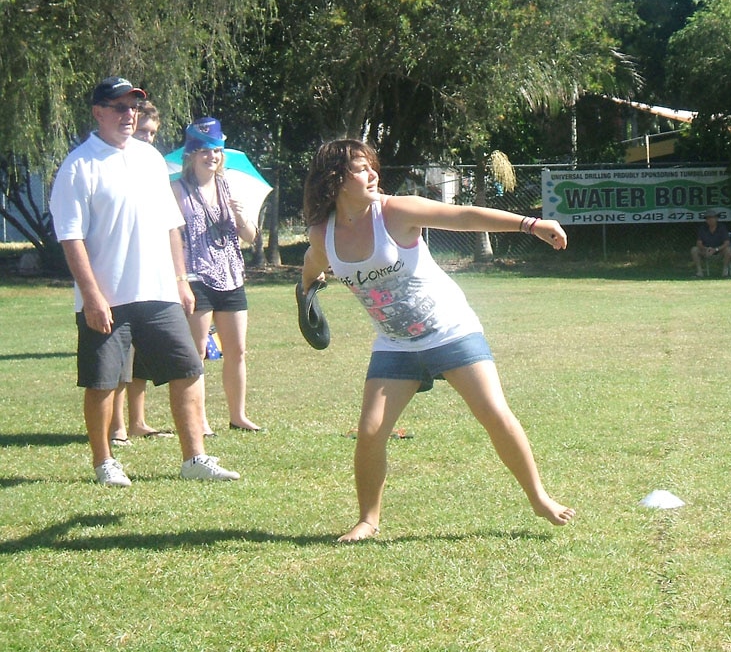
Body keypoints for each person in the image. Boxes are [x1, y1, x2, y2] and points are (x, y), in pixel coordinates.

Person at [300, 139, 576, 542]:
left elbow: (462, 215)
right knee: (371, 432)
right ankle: (368, 520)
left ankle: (539, 498)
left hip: (450, 329)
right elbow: (311, 267)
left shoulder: (395, 211)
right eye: (361, 169)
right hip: (395, 344)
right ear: (336, 179)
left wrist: (529, 224)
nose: (373, 174)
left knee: (495, 414)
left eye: (372, 166)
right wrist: (305, 294)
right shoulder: (324, 235)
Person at [49, 76, 240, 485]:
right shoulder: (79, 165)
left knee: (187, 368)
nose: (128, 115)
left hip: (158, 292)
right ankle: (105, 463)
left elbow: (172, 224)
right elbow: (71, 237)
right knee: (103, 381)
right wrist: (92, 295)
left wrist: (180, 280)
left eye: (133, 107)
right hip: (108, 298)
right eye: (119, 107)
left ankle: (194, 459)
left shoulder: (150, 158)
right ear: (98, 112)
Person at [172, 117, 261, 433]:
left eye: (217, 150)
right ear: (192, 154)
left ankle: (238, 415)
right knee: (196, 353)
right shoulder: (177, 190)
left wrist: (240, 214)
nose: (212, 157)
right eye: (205, 151)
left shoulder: (230, 187)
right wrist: (180, 279)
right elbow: (170, 237)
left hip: (232, 275)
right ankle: (200, 419)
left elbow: (251, 236)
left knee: (236, 350)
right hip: (196, 277)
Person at [109, 99, 174, 444]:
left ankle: (138, 421)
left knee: (141, 361)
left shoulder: (152, 163)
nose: (147, 137)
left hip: (152, 275)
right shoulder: (115, 162)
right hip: (119, 280)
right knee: (120, 359)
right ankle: (116, 425)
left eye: (152, 132)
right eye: (144, 130)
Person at [691, 210, 731, 277]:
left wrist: (716, 249)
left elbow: (727, 243)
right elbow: (699, 243)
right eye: (708, 218)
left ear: (716, 218)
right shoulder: (702, 228)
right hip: (706, 251)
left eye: (712, 218)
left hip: (719, 251)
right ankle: (699, 272)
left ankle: (725, 271)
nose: (710, 220)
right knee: (694, 249)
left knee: (728, 250)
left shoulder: (722, 227)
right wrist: (706, 249)